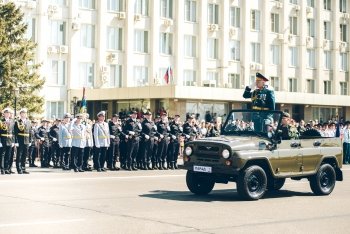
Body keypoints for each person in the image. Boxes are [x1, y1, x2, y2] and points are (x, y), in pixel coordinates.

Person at [14, 108, 31, 174]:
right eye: (22, 113)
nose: (24, 114)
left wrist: (30, 141)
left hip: (26, 140)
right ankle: (19, 168)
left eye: (25, 113)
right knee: (19, 155)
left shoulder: (28, 122)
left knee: (25, 155)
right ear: (20, 114)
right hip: (20, 140)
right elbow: (15, 133)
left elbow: (30, 132)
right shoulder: (17, 122)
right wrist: (16, 141)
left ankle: (23, 168)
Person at [0, 108, 16, 174]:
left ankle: (7, 169)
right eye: (6, 113)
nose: (7, 114)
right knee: (2, 155)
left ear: (10, 114)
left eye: (8, 113)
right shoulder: (1, 121)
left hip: (10, 140)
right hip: (3, 139)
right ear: (4, 114)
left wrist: (13, 141)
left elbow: (14, 132)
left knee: (8, 155)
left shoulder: (12, 121)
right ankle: (2, 169)